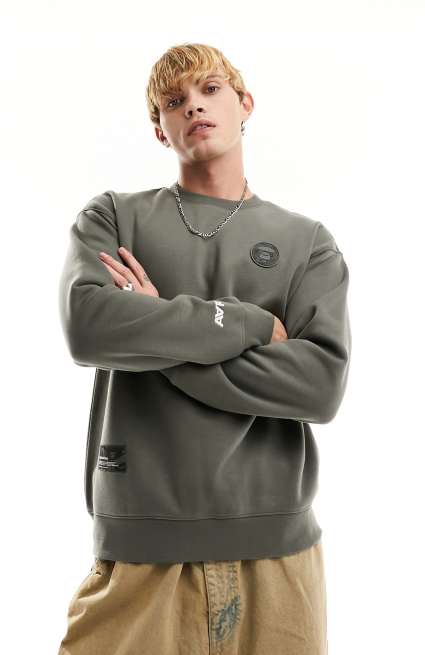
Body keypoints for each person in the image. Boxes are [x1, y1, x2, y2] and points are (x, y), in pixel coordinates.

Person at [57, 41, 351, 655]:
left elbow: (319, 386)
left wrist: (156, 334)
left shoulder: (307, 243)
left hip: (278, 557)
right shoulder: (113, 218)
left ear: (245, 104)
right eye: (173, 101)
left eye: (210, 89)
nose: (193, 105)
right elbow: (89, 327)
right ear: (159, 130)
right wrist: (245, 322)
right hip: (141, 554)